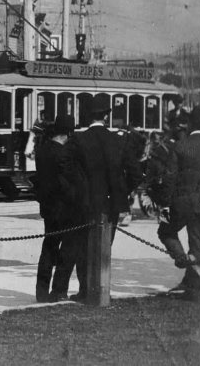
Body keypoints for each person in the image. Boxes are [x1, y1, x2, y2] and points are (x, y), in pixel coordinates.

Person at [66, 103, 141, 299]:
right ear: (106, 118)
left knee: (84, 246)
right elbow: (135, 173)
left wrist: (78, 193)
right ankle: (101, 289)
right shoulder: (119, 140)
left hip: (85, 203)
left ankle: (85, 290)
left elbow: (69, 172)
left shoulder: (78, 139)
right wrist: (122, 192)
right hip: (111, 203)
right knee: (105, 245)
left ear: (86, 118)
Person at [158, 105, 200, 296]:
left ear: (190, 123)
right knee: (198, 245)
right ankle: (194, 289)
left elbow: (170, 178)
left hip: (182, 203)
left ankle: (182, 258)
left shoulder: (180, 146)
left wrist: (164, 203)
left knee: (165, 232)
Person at [34, 113, 84, 303]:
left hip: (49, 209)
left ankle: (41, 292)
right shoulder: (64, 154)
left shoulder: (42, 150)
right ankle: (58, 290)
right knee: (68, 251)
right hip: (67, 210)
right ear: (69, 132)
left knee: (48, 249)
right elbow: (70, 183)